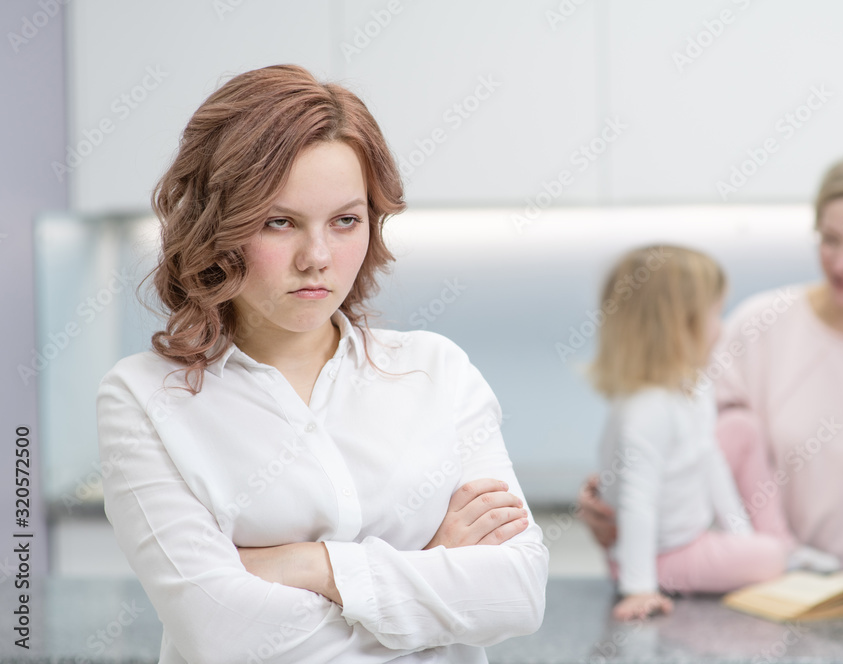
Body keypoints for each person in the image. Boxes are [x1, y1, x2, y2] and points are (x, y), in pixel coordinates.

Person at [96, 64, 547, 663]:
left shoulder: (436, 370)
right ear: (216, 227)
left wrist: (310, 564)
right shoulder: (143, 397)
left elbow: (515, 594)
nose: (317, 258)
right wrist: (428, 571)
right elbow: (224, 635)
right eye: (278, 221)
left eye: (345, 221)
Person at [580, 151, 843, 581]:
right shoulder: (758, 326)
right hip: (773, 595)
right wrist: (612, 487)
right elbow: (686, 444)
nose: (841, 262)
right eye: (829, 239)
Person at [590, 245, 836, 622]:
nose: (721, 329)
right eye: (714, 315)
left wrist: (742, 540)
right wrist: (639, 588)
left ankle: (781, 547)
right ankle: (778, 555)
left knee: (741, 429)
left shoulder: (694, 387)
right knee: (767, 558)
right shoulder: (646, 411)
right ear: (678, 327)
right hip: (661, 557)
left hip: (688, 539)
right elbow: (638, 502)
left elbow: (710, 461)